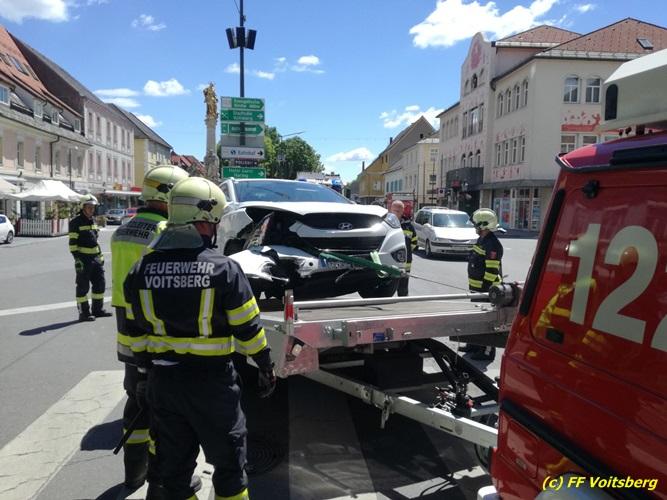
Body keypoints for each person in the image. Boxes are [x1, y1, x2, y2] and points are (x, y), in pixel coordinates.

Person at [123, 177, 276, 500]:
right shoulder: (224, 269)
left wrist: (142, 374)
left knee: (174, 473)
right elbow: (248, 329)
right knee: (230, 469)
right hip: (212, 386)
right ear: (205, 220)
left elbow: (134, 332)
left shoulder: (139, 270)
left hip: (163, 384)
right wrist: (265, 365)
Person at [110, 165, 189, 490]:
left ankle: (133, 473)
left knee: (135, 395)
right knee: (162, 404)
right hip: (154, 319)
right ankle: (161, 479)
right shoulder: (165, 231)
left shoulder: (123, 230)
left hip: (125, 321)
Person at [460, 208, 504, 361]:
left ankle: (486, 351)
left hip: (485, 289)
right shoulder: (482, 239)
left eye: (476, 225)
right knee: (476, 318)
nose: (475, 227)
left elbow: (491, 270)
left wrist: (486, 291)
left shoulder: (492, 244)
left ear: (484, 225)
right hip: (476, 288)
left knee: (486, 320)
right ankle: (474, 344)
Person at [68, 194, 112, 321]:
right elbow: (72, 244)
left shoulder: (93, 220)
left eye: (93, 207)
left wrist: (100, 256)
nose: (92, 209)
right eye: (89, 207)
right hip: (83, 259)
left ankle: (97, 310)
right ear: (82, 207)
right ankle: (84, 313)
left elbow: (95, 241)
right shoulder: (75, 222)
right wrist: (77, 259)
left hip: (95, 259)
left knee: (100, 284)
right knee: (83, 287)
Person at [389, 200, 417, 296]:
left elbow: (414, 242)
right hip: (389, 259)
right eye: (394, 210)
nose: (396, 213)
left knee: (403, 285)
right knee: (387, 284)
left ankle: (403, 301)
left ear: (402, 211)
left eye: (398, 211)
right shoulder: (385, 223)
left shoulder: (409, 226)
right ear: (391, 210)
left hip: (405, 262)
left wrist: (406, 251)